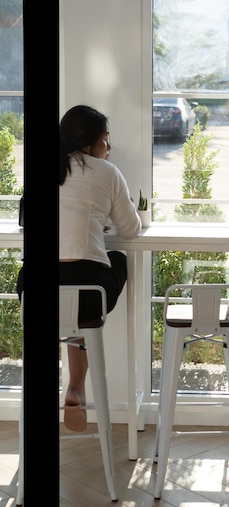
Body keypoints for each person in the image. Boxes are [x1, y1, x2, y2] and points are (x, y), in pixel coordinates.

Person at [17, 104, 142, 431]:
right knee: (112, 265)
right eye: (105, 140)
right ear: (89, 144)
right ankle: (75, 386)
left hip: (34, 289)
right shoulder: (107, 172)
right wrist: (96, 225)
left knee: (59, 302)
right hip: (87, 291)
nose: (109, 148)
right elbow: (131, 230)